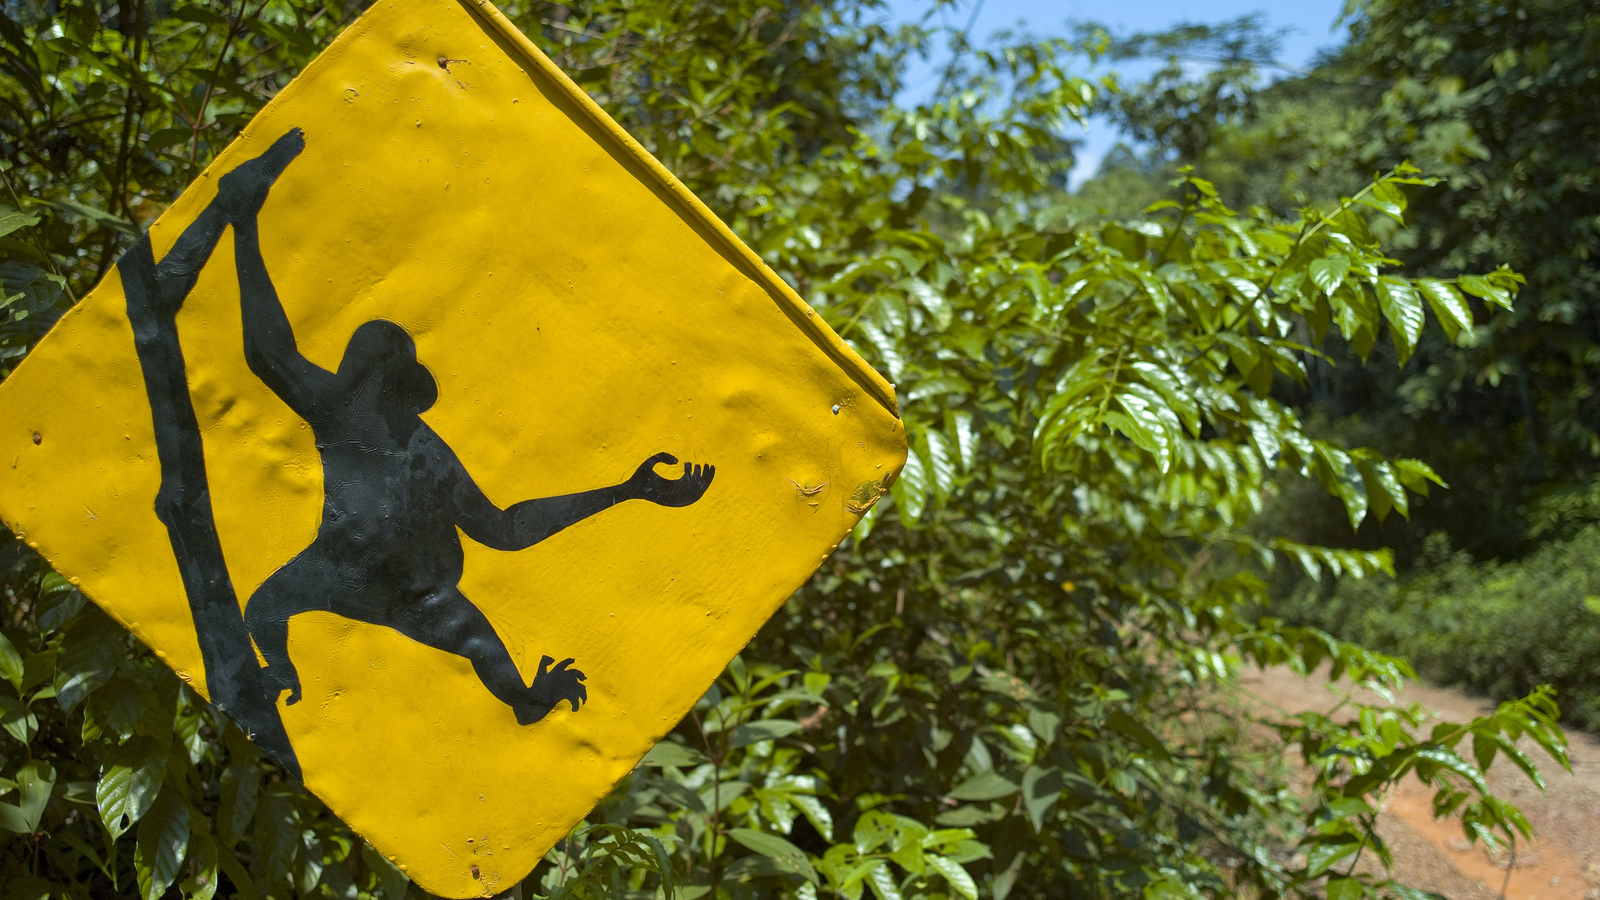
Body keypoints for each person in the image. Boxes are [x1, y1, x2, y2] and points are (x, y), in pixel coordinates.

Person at [214, 128, 714, 725]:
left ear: (392, 381)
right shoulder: (336, 411)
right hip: (342, 570)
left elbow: (503, 528)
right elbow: (267, 352)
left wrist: (626, 491)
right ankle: (281, 670)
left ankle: (526, 700)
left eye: (370, 365)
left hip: (417, 592)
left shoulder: (420, 448)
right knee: (265, 607)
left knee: (474, 640)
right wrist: (243, 229)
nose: (357, 374)